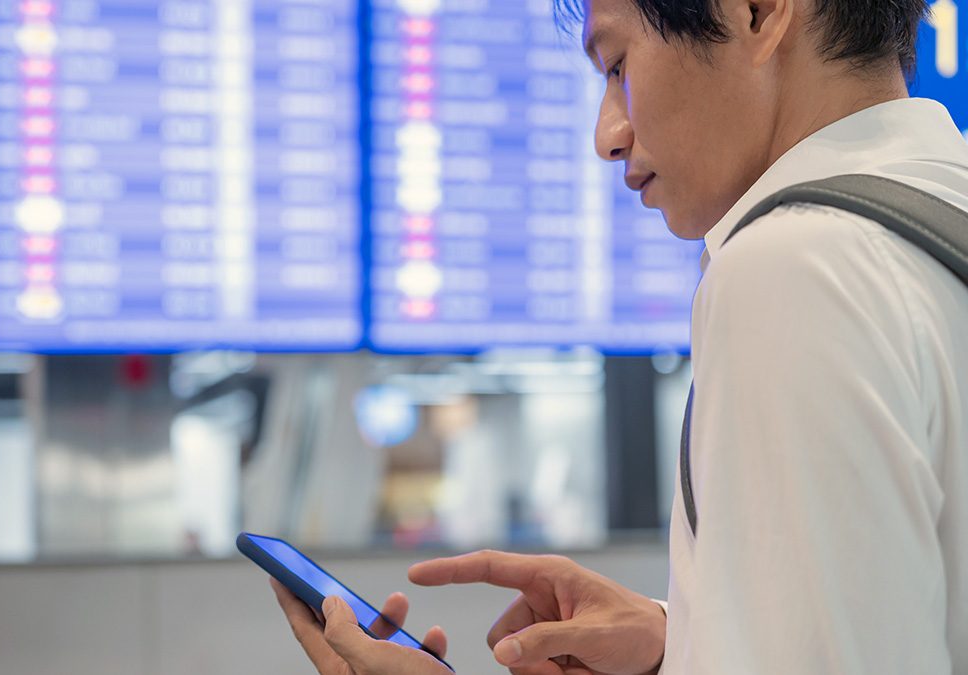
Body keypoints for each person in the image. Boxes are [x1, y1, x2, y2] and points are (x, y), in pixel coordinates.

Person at [272, 0, 968, 672]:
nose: (607, 135)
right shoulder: (934, 213)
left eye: (617, 66)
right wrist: (685, 641)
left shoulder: (791, 268)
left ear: (756, 12)